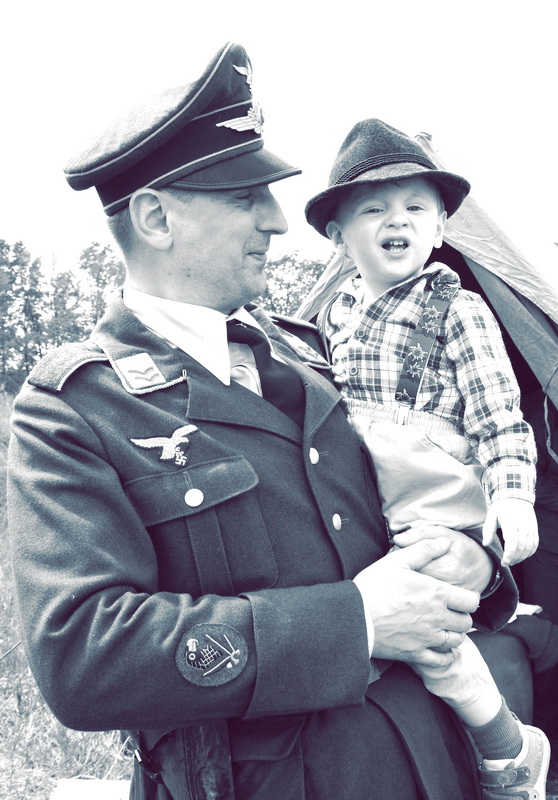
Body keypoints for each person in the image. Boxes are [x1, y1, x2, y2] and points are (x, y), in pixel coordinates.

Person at [7, 42, 518, 800]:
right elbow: (85, 657)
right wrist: (356, 623)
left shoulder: (318, 354)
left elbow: (423, 487)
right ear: (156, 217)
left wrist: (476, 559)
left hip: (433, 767)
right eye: (246, 196)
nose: (278, 221)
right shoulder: (76, 407)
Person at [304, 117, 550, 797]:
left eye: (416, 208)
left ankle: (508, 749)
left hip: (436, 508)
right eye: (373, 210)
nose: (398, 220)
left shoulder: (457, 310)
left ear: (441, 228)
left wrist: (512, 495)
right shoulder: (333, 317)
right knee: (353, 608)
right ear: (337, 236)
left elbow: (499, 416)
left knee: (433, 641)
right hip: (368, 505)